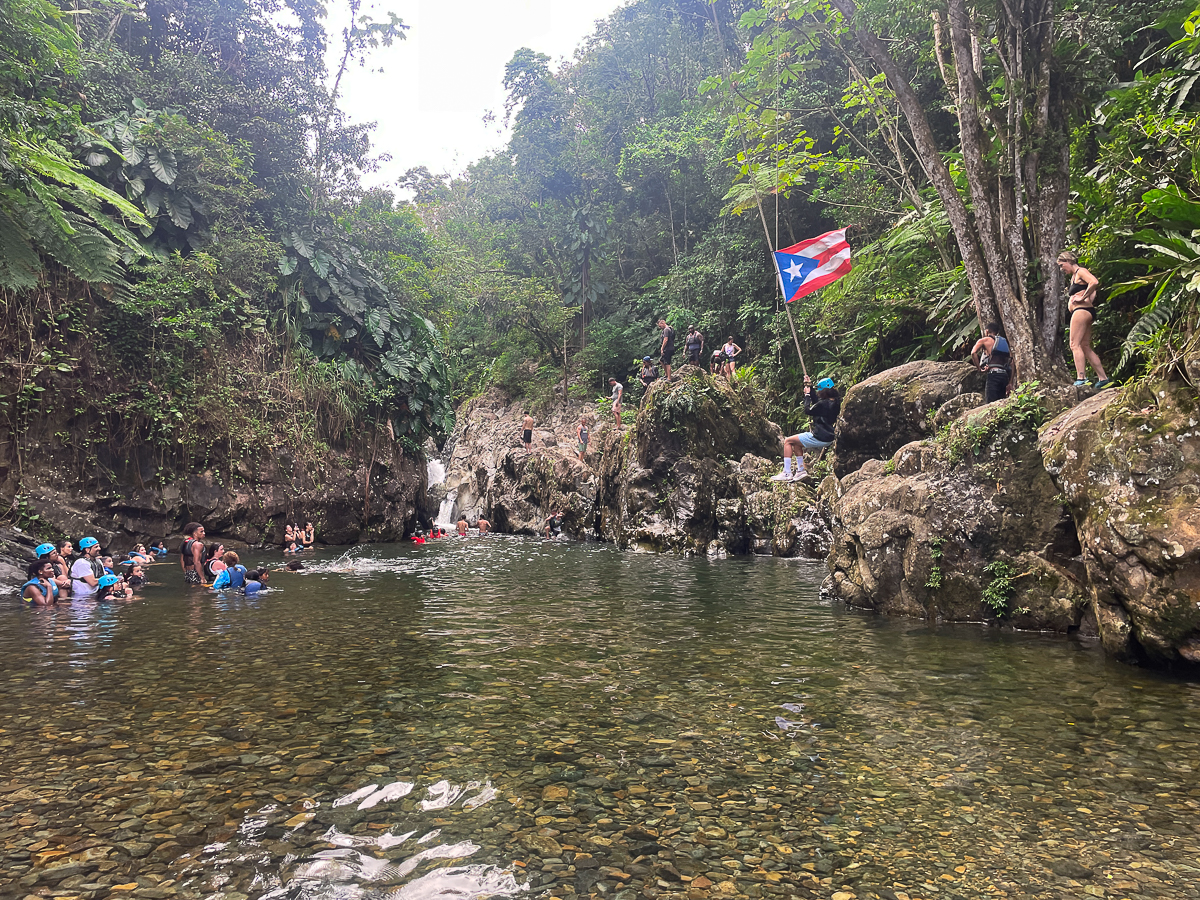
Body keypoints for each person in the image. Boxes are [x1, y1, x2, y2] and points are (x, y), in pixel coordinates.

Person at [1057, 251, 1111, 388]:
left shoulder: (1081, 271)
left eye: (1062, 265)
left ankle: (1081, 378)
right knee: (1085, 346)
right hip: (1086, 311)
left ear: (1068, 261)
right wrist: (1088, 298)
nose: (1061, 269)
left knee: (1074, 344)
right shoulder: (1074, 276)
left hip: (1081, 311)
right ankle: (1103, 378)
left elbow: (1094, 282)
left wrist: (1082, 298)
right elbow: (1092, 290)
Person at [773, 377, 841, 482]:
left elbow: (808, 410)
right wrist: (810, 387)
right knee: (796, 444)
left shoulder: (823, 404)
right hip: (829, 436)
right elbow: (817, 404)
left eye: (819, 390)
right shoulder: (835, 402)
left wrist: (807, 395)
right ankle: (800, 471)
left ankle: (786, 472)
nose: (818, 392)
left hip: (820, 436)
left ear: (824, 392)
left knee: (788, 441)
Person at [970, 322, 1012, 403]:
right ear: (997, 332)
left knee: (990, 403)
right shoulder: (1004, 342)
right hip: (1004, 376)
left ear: (986, 331)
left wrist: (979, 368)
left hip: (993, 375)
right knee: (1001, 402)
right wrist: (1010, 382)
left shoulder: (984, 340)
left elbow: (973, 353)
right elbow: (1012, 362)